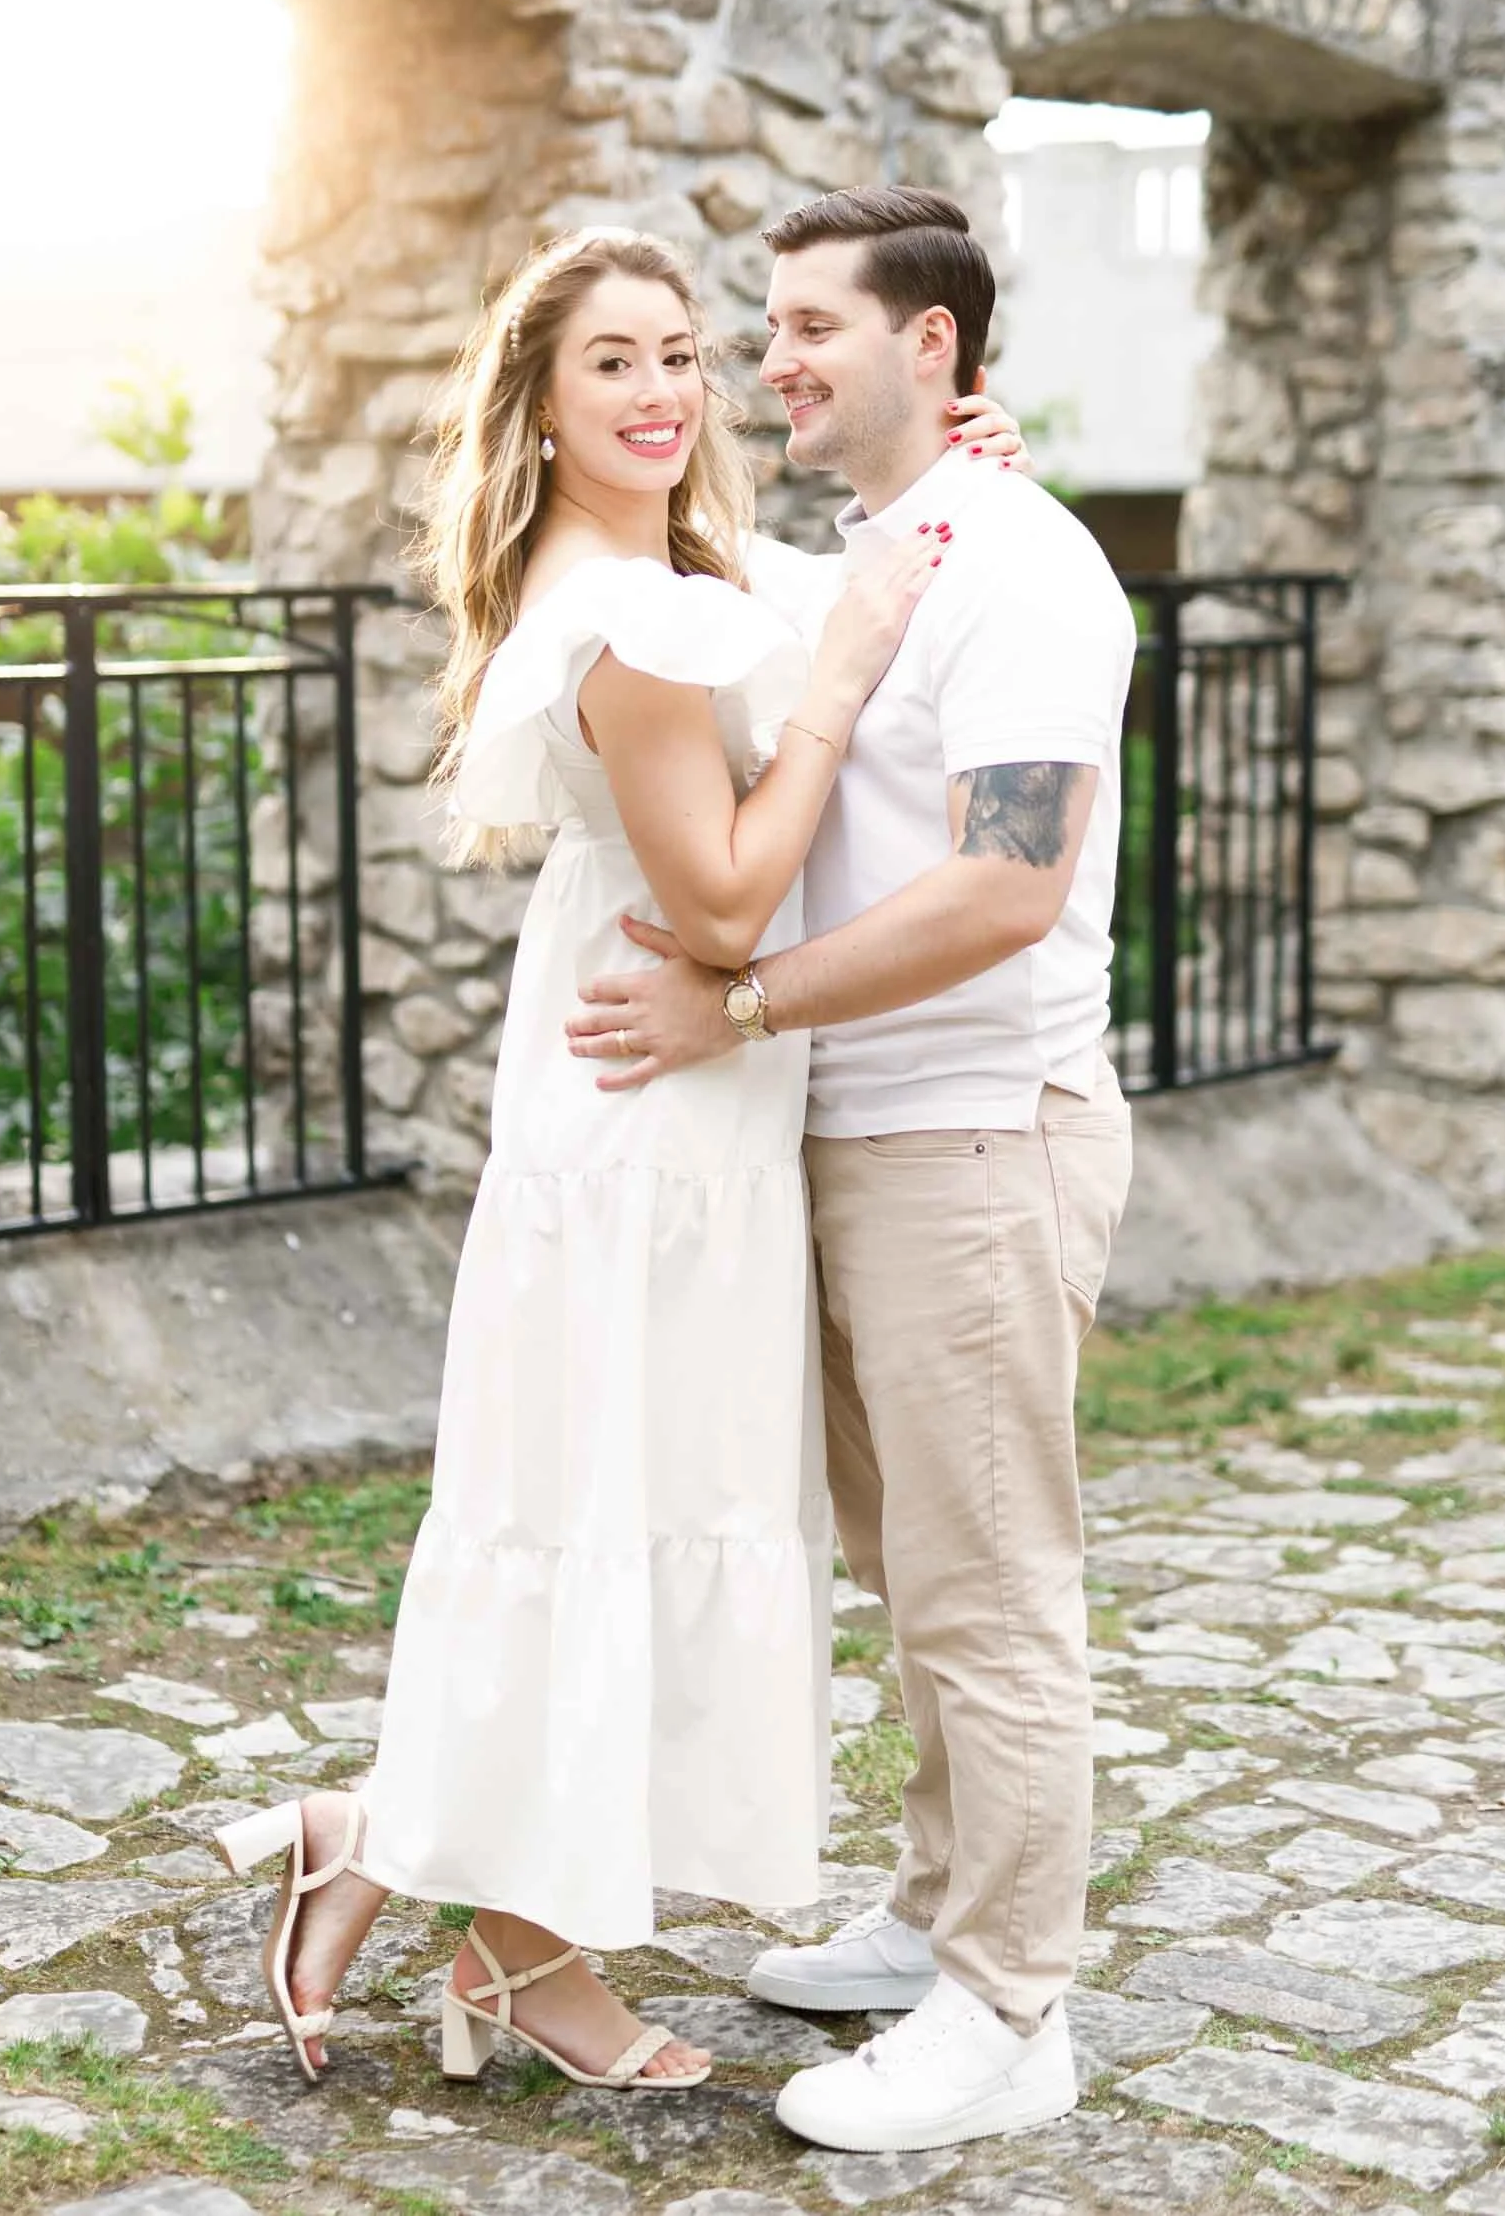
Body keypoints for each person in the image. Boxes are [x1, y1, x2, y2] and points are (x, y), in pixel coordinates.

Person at [214, 223, 1030, 2096]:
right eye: (611, 363)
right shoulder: (627, 616)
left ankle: (416, 1875)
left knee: (625, 1510)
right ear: (540, 403)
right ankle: (500, 1948)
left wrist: (939, 485)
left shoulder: (677, 574)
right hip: (651, 1103)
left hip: (697, 1114)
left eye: (682, 353)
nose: (663, 391)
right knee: (614, 1516)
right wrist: (834, 683)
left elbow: (838, 583)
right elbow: (731, 900)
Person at [564, 187, 1138, 2154]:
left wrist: (743, 1009)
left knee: (990, 1592)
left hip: (975, 1136)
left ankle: (1008, 2007)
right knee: (915, 1576)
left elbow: (1003, 883)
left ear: (935, 350)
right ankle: (932, 1914)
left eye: (815, 324)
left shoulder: (1031, 572)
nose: (771, 359)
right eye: (771, 325)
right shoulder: (875, 556)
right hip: (864, 1135)